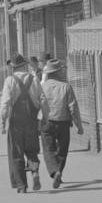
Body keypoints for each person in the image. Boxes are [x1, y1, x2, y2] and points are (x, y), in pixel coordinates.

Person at [0, 54, 44, 193]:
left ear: (13, 67)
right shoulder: (35, 79)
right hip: (31, 121)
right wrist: (45, 118)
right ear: (24, 65)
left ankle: (22, 186)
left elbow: (5, 103)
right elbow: (42, 100)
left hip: (16, 123)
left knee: (16, 154)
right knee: (31, 150)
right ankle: (34, 170)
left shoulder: (10, 81)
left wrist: (2, 121)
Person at [38, 57, 84, 189]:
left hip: (46, 122)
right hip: (63, 122)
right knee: (62, 150)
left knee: (48, 150)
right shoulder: (66, 87)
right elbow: (73, 107)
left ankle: (54, 172)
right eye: (61, 70)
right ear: (57, 72)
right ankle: (59, 171)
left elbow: (37, 105)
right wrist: (79, 125)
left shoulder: (42, 87)